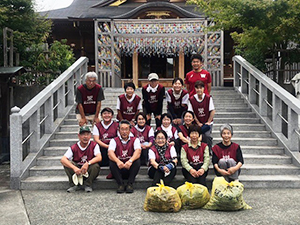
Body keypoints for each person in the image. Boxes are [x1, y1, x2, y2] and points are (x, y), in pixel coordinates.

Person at [61, 126, 102, 193]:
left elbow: (99, 157)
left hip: (87, 169)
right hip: (77, 168)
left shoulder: (94, 145)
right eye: (83, 134)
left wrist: (87, 163)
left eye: (87, 134)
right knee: (67, 164)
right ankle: (73, 184)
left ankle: (88, 184)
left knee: (95, 166)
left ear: (90, 135)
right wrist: (74, 168)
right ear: (79, 136)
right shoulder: (74, 147)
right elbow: (63, 159)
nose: (85, 137)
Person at [108, 120, 141, 193]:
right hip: (119, 167)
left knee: (137, 160)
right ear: (119, 130)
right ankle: (120, 184)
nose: (124, 131)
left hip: (130, 167)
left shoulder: (135, 140)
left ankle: (130, 184)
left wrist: (130, 161)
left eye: (126, 129)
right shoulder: (114, 140)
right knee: (112, 161)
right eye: (122, 129)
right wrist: (118, 161)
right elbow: (110, 152)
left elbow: (138, 151)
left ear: (130, 130)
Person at [188, 80, 215, 151]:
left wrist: (208, 122)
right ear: (195, 89)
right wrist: (198, 123)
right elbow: (192, 113)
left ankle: (209, 151)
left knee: (207, 136)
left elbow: (212, 111)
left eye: (201, 88)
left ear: (204, 88)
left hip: (207, 122)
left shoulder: (208, 98)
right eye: (197, 88)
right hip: (196, 123)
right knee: (195, 135)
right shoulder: (191, 99)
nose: (199, 90)